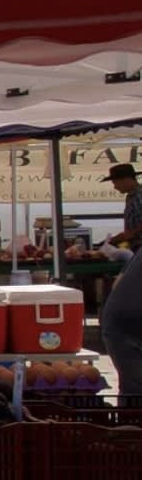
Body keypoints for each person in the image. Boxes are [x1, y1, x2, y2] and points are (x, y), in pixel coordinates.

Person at [105, 165, 142, 405]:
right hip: (128, 327)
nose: (114, 186)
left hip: (123, 321)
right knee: (135, 392)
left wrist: (124, 237)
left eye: (116, 181)